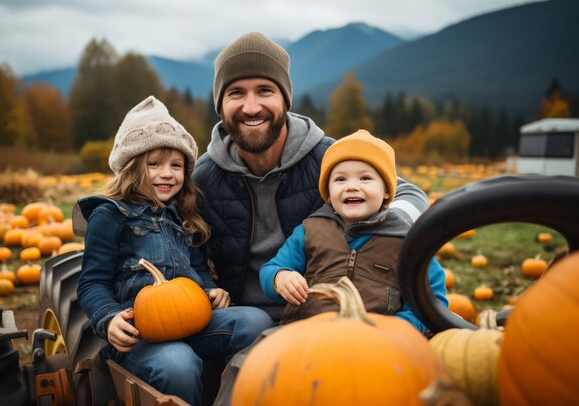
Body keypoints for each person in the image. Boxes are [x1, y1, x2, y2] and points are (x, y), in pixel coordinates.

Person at [192, 32, 429, 323]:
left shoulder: (330, 159)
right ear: (220, 103)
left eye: (265, 90)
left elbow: (410, 195)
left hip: (322, 316)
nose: (251, 107)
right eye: (236, 92)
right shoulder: (204, 177)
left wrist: (387, 228)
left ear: (285, 98)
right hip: (240, 319)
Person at [75, 96, 273, 406]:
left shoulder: (181, 216)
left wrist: (210, 290)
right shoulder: (109, 215)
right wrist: (110, 319)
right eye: (153, 164)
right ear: (131, 167)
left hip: (191, 321)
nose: (166, 173)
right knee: (178, 363)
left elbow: (197, 267)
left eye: (176, 165)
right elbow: (92, 282)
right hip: (139, 332)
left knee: (255, 323)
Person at [260, 129, 448, 332]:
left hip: (378, 342)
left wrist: (402, 326)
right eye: (340, 179)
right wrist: (280, 277)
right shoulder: (310, 230)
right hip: (307, 336)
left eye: (365, 178)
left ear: (386, 191)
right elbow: (271, 268)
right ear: (328, 194)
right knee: (250, 360)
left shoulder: (407, 241)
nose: (351, 186)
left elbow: (431, 298)